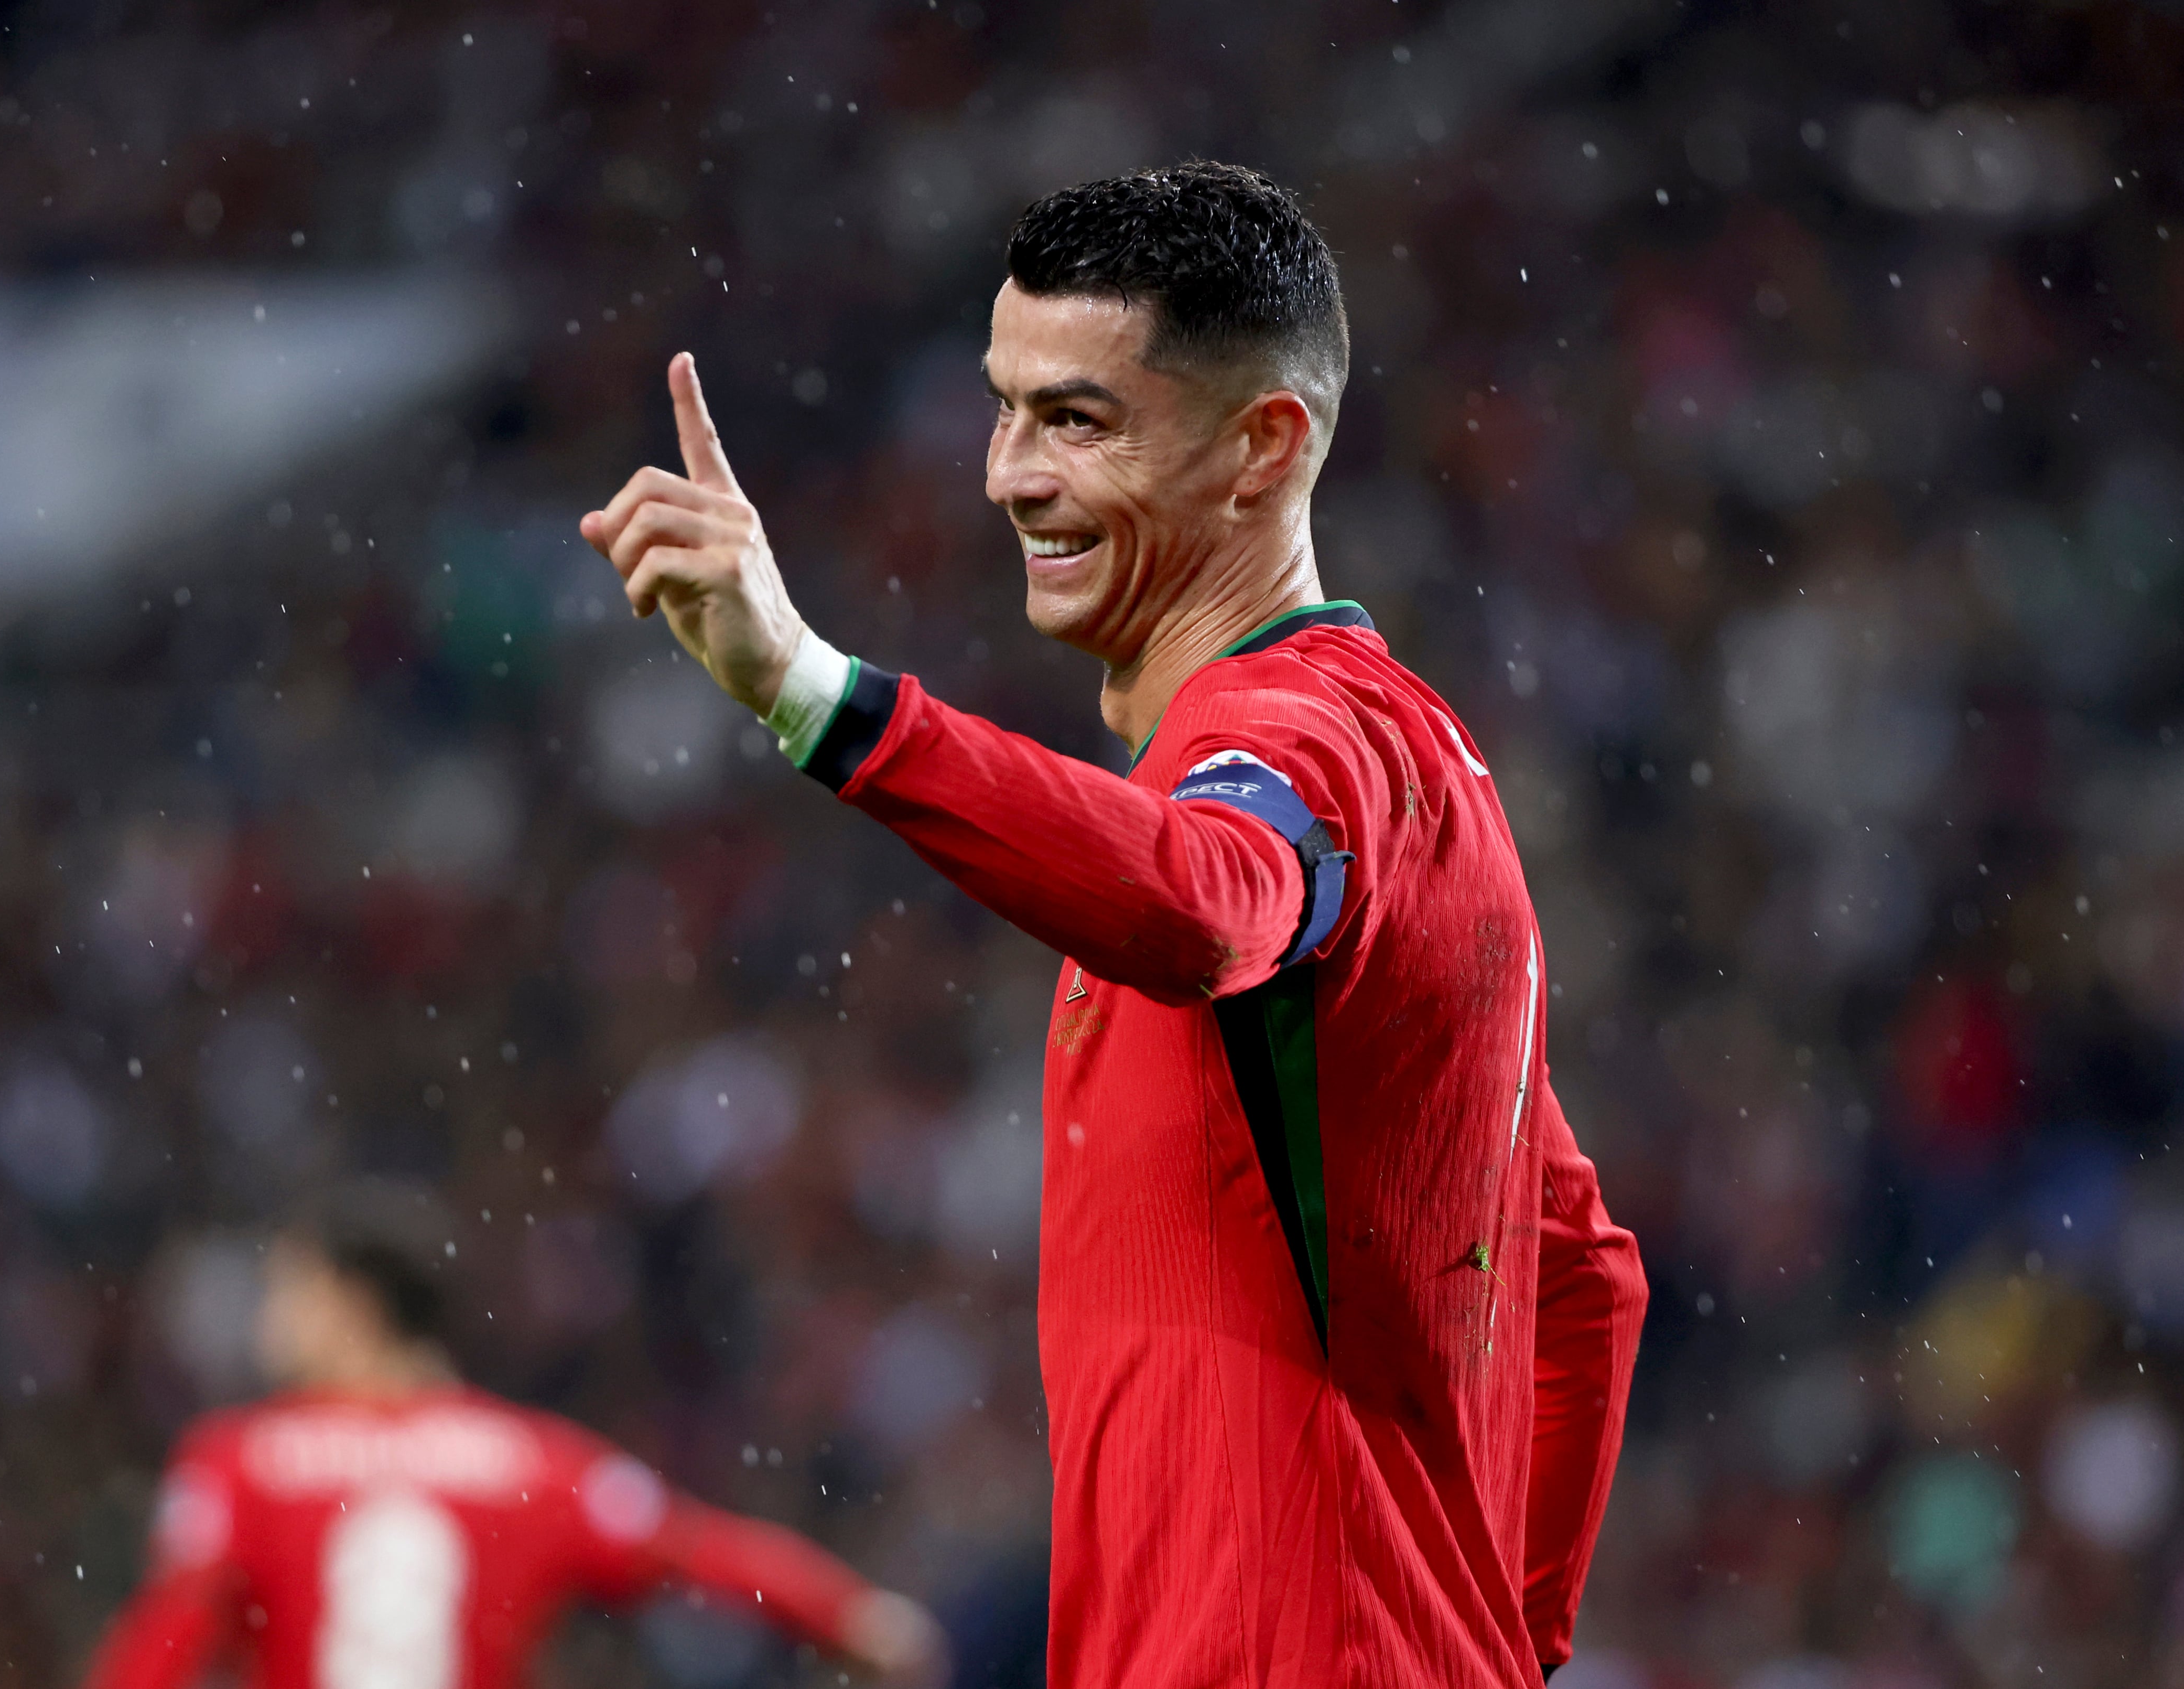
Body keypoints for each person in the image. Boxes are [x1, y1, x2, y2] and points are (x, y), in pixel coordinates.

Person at [581, 162, 1650, 1686]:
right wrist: (1490, 1642)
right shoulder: (1407, 765)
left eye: (1076, 420)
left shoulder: (1302, 743)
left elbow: (1208, 903)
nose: (1010, 473)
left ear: (1261, 451)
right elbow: (1580, 1282)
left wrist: (812, 694)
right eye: (1004, 409)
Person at [81, 1191, 944, 1689]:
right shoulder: (535, 1462)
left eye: (289, 1292)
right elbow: (701, 1552)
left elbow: (173, 1631)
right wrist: (849, 1614)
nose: (268, 1321)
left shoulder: (240, 1459)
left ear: (353, 1303)